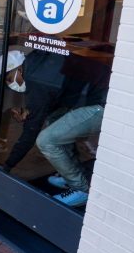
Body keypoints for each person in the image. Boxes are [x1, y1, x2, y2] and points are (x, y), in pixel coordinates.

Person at [36, 55, 111, 207]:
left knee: (46, 140)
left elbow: (69, 90)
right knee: (55, 121)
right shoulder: (66, 58)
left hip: (102, 105)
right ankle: (72, 175)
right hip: (92, 99)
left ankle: (81, 189)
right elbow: (70, 91)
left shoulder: (64, 60)